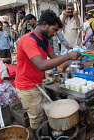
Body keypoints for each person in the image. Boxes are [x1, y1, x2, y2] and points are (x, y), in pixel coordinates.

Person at [15, 9, 82, 139]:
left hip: (38, 83)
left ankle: (47, 134)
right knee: (35, 117)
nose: (55, 34)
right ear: (45, 24)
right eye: (54, 30)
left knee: (44, 112)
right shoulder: (29, 40)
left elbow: (55, 59)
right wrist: (68, 55)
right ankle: (38, 137)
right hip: (27, 87)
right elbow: (41, 65)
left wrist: (73, 59)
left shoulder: (44, 41)